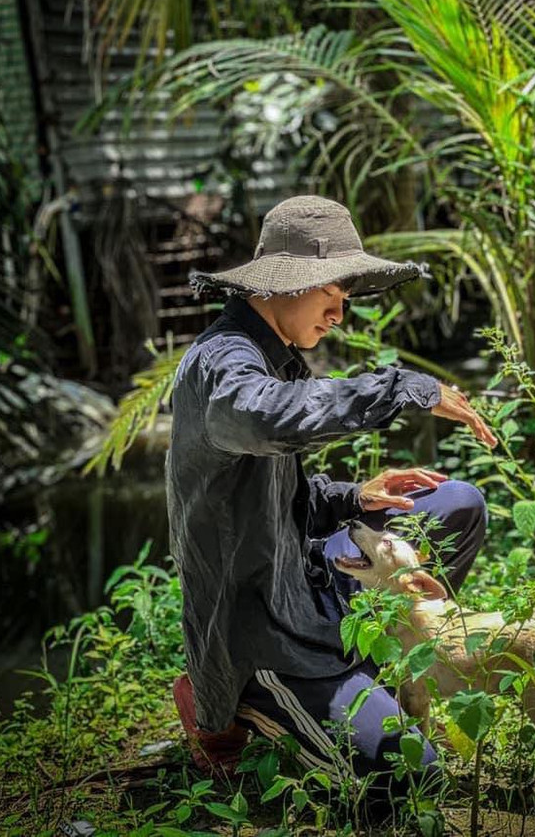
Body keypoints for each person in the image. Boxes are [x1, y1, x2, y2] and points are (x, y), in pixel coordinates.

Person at [167, 195, 497, 808]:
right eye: (333, 297)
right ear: (289, 284)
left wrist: (355, 496)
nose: (340, 316)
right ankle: (234, 709)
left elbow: (279, 502)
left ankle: (380, 665)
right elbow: (266, 419)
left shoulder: (277, 356)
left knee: (455, 502)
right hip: (262, 626)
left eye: (345, 300)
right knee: (409, 778)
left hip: (309, 577)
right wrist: (404, 388)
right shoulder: (224, 367)